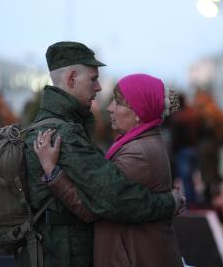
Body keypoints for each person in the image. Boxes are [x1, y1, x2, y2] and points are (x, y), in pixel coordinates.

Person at [19, 41, 185, 267]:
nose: (98, 88)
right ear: (71, 79)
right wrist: (170, 203)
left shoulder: (54, 125)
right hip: (64, 254)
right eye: (93, 79)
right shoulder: (63, 134)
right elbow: (115, 199)